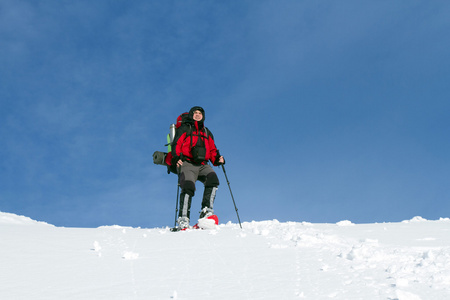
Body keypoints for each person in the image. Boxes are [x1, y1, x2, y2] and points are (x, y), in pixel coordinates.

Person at [171, 106, 225, 229]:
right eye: (195, 113)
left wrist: (217, 159)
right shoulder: (185, 128)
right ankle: (183, 218)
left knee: (212, 179)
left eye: (200, 113)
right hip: (187, 163)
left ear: (203, 116)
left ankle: (206, 212)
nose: (197, 115)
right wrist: (175, 158)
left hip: (202, 164)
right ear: (191, 115)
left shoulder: (206, 132)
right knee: (188, 186)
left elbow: (212, 149)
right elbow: (177, 144)